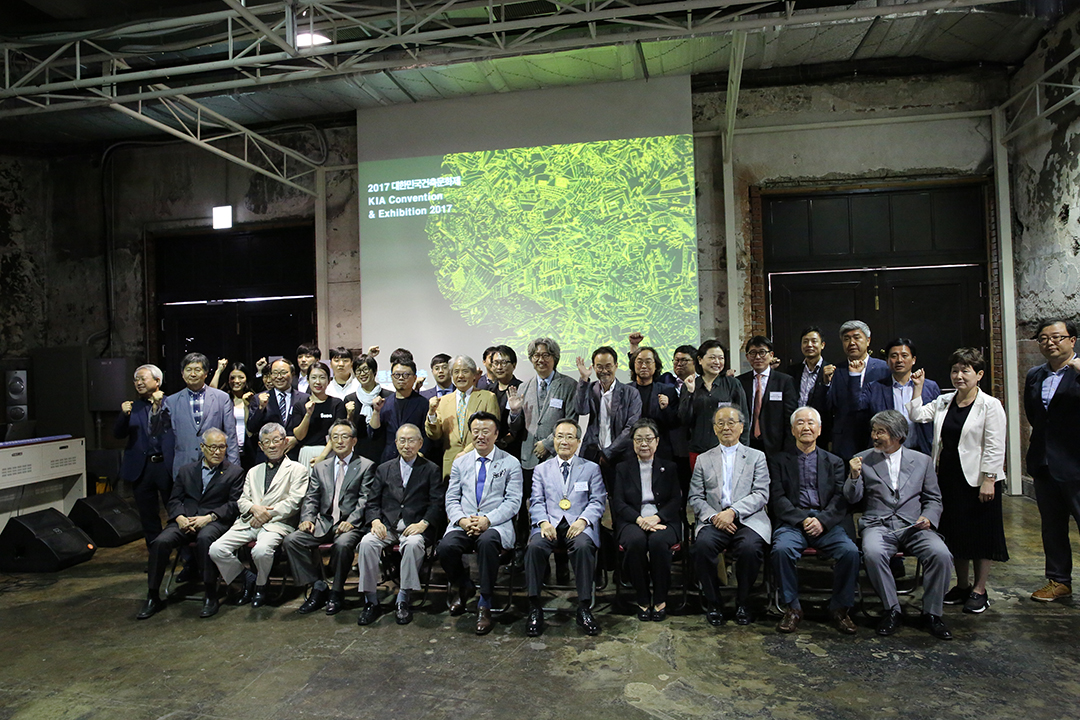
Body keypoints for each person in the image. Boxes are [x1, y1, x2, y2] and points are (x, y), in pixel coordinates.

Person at [907, 349, 1008, 614]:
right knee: (956, 533)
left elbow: (995, 446)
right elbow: (917, 416)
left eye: (966, 370)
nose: (959, 376)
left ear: (979, 374)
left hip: (978, 480)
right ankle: (962, 585)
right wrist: (917, 388)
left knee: (981, 535)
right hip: (948, 478)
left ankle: (980, 589)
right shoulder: (944, 401)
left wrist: (989, 479)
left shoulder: (990, 405)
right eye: (955, 370)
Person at [845, 410, 953, 640]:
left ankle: (932, 613)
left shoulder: (922, 461)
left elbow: (933, 498)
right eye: (873, 431)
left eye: (880, 432)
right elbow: (852, 499)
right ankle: (891, 609)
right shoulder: (862, 459)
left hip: (914, 526)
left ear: (898, 435)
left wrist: (929, 518)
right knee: (873, 553)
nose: (874, 436)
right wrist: (853, 477)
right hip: (878, 525)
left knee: (941, 554)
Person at [768, 407, 859, 635]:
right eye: (800, 423)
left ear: (819, 430)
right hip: (793, 522)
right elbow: (777, 499)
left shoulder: (835, 461)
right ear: (792, 430)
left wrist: (822, 521)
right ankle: (793, 608)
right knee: (781, 550)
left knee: (850, 552)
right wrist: (803, 519)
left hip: (826, 522)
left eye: (811, 423)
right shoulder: (779, 460)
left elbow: (841, 498)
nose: (805, 427)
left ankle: (839, 608)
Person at [138, 428, 245, 619]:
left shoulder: (234, 472)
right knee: (160, 542)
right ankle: (153, 595)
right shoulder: (186, 470)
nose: (217, 451)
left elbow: (234, 505)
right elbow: (174, 500)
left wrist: (210, 517)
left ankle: (210, 593)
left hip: (214, 521)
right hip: (185, 520)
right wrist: (179, 517)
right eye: (213, 447)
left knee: (205, 539)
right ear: (202, 447)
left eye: (222, 447)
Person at [437, 411, 523, 635]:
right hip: (464, 521)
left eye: (486, 432)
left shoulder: (510, 463)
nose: (480, 436)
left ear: (496, 434)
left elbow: (513, 502)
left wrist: (488, 520)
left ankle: (485, 601)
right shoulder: (461, 462)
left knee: (487, 542)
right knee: (445, 547)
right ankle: (463, 585)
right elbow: (452, 498)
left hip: (496, 523)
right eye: (476, 432)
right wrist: (463, 520)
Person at [208, 423, 309, 610]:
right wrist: (254, 508)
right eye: (266, 442)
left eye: (276, 441)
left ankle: (261, 586)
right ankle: (247, 578)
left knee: (261, 551)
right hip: (248, 522)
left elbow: (294, 502)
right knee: (216, 549)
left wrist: (266, 514)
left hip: (277, 524)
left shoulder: (298, 470)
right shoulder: (253, 471)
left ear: (285, 442)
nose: (271, 446)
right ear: (261, 446)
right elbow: (242, 500)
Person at [282, 420, 375, 616]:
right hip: (323, 522)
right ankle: (318, 585)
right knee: (292, 541)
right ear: (329, 440)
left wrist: (352, 521)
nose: (340, 441)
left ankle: (337, 591)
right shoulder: (321, 467)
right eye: (335, 437)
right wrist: (307, 518)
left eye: (345, 437)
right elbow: (311, 497)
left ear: (354, 441)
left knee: (342, 545)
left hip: (350, 524)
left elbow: (365, 499)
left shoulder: (366, 466)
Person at [688, 405, 771, 627]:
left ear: (741, 427)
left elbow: (761, 494)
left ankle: (743, 601)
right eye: (720, 423)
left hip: (748, 518)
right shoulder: (704, 459)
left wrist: (733, 512)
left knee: (750, 549)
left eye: (731, 422)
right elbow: (695, 497)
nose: (726, 427)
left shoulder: (756, 457)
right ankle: (714, 602)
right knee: (702, 546)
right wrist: (716, 517)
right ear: (714, 429)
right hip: (714, 519)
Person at [523, 419, 606, 637]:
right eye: (559, 436)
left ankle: (584, 607)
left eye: (570, 437)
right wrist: (543, 522)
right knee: (535, 547)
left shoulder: (591, 468)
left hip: (578, 524)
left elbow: (598, 501)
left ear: (578, 442)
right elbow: (536, 501)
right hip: (549, 523)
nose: (564, 441)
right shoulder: (542, 469)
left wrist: (583, 521)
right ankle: (534, 607)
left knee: (583, 546)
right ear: (554, 440)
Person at [356, 424, 445, 626]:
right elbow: (372, 501)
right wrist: (376, 520)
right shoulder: (384, 468)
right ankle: (370, 600)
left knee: (413, 544)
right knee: (367, 543)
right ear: (396, 443)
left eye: (411, 440)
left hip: (415, 525)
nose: (407, 445)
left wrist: (424, 524)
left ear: (420, 443)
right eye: (402, 441)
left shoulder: (431, 469)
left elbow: (436, 503)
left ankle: (403, 598)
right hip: (387, 524)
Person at [1022, 318, 1080, 602]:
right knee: (1052, 525)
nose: (1050, 343)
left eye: (1057, 337)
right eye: (1043, 338)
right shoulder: (1035, 374)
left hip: (1077, 462)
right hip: (1045, 462)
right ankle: (1059, 580)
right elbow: (1034, 416)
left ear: (1072, 340)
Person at [506, 337, 579, 563]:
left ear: (555, 358)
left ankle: (561, 560)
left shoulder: (568, 385)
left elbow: (571, 420)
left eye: (546, 355)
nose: (540, 360)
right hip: (527, 458)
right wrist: (515, 413)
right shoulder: (524, 387)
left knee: (559, 508)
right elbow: (517, 428)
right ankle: (526, 556)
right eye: (536, 356)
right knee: (525, 509)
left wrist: (547, 443)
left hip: (557, 457)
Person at [611, 419, 681, 622]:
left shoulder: (669, 467)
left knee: (659, 542)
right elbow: (618, 502)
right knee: (635, 542)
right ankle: (642, 597)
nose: (644, 444)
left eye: (648, 439)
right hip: (633, 520)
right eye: (638, 439)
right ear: (632, 443)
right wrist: (639, 519)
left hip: (663, 519)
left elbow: (676, 500)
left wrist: (657, 517)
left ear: (657, 442)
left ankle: (660, 598)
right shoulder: (623, 468)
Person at [115, 363, 173, 546]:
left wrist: (159, 404)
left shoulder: (170, 403)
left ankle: (185, 556)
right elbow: (118, 434)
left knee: (175, 512)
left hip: (165, 466)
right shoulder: (133, 407)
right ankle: (156, 555)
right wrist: (123, 415)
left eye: (143, 378)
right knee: (148, 516)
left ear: (157, 381)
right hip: (142, 468)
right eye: (136, 380)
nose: (138, 383)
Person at [163, 352, 240, 477]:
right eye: (188, 370)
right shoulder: (171, 401)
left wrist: (234, 468)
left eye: (197, 370)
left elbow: (230, 435)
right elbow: (158, 430)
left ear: (205, 374)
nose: (192, 374)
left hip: (216, 464)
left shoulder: (222, 398)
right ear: (182, 374)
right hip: (184, 466)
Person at [859, 338, 940, 454]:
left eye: (904, 355)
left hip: (921, 451)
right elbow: (857, 409)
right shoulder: (875, 387)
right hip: (886, 452)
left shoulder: (929, 387)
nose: (899, 360)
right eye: (894, 356)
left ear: (913, 360)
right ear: (887, 361)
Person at [574, 345, 642, 484]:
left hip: (621, 453)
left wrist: (609, 452)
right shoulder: (590, 388)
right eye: (599, 366)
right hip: (592, 452)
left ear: (616, 366)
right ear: (593, 367)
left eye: (608, 366)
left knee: (618, 498)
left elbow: (631, 427)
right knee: (587, 496)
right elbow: (581, 410)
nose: (604, 371)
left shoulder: (631, 393)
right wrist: (583, 379)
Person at [425, 355, 500, 479]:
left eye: (465, 371)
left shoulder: (488, 397)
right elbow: (435, 435)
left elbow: (492, 432)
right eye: (456, 372)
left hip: (481, 460)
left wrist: (467, 452)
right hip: (451, 464)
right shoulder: (443, 401)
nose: (460, 376)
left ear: (474, 375)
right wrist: (432, 414)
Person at [679, 340, 749, 466]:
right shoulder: (690, 384)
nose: (717, 362)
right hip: (699, 451)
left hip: (728, 450)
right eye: (712, 357)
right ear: (700, 360)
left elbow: (744, 418)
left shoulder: (732, 384)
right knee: (700, 485)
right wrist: (690, 392)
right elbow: (684, 419)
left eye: (720, 358)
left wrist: (743, 449)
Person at [827, 320, 890, 460]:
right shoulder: (837, 370)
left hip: (875, 436)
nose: (851, 343)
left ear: (868, 341)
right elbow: (830, 405)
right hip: (844, 439)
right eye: (846, 339)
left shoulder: (884, 368)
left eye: (856, 337)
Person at [737, 336, 798, 459]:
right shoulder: (740, 382)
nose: (758, 357)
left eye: (762, 352)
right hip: (747, 444)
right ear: (747, 357)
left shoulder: (784, 381)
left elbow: (790, 417)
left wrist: (788, 448)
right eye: (753, 353)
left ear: (771, 355)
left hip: (775, 446)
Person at [245, 358, 308, 463]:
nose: (279, 377)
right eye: (275, 373)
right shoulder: (258, 398)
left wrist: (297, 440)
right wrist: (261, 408)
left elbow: (310, 429)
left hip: (294, 455)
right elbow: (251, 428)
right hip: (267, 457)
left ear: (292, 374)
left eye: (283, 373)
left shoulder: (304, 399)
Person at [374, 359, 432, 462]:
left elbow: (427, 434)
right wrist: (376, 411)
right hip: (389, 460)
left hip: (415, 459)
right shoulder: (384, 403)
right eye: (397, 375)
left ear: (414, 378)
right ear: (392, 377)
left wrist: (420, 454)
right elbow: (375, 434)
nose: (401, 378)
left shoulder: (423, 403)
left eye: (406, 375)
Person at [628, 346, 679, 462]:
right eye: (639, 362)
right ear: (633, 365)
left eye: (648, 362)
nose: (644, 366)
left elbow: (675, 422)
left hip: (661, 451)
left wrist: (666, 408)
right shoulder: (626, 390)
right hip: (630, 450)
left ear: (656, 365)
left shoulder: (667, 390)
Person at [291, 361, 346, 467]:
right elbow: (299, 436)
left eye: (322, 377)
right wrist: (308, 415)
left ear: (329, 380)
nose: (318, 382)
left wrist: (322, 457)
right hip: (306, 453)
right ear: (307, 380)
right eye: (314, 377)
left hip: (330, 452)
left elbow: (337, 433)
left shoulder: (337, 404)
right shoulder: (300, 405)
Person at [787, 328, 835, 447]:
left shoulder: (832, 370)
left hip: (820, 432)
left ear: (822, 345)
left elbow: (832, 404)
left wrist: (826, 383)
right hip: (795, 431)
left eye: (814, 341)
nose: (809, 345)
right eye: (805, 341)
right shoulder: (792, 371)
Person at [343, 353, 391, 462]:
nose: (362, 374)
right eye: (358, 371)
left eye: (365, 369)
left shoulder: (388, 397)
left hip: (384, 452)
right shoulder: (350, 399)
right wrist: (349, 415)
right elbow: (348, 431)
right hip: (360, 453)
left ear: (374, 371)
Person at [213, 361, 256, 469]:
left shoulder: (252, 398)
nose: (236, 381)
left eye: (240, 377)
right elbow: (212, 392)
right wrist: (218, 371)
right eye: (232, 378)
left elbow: (252, 428)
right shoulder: (224, 399)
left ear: (246, 379)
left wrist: (247, 405)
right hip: (227, 451)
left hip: (248, 451)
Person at [489, 345, 524, 460]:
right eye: (495, 363)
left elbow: (524, 422)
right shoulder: (488, 390)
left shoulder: (521, 388)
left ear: (514, 365)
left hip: (513, 449)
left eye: (504, 363)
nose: (499, 367)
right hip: (491, 448)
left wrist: (506, 440)